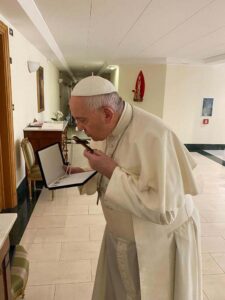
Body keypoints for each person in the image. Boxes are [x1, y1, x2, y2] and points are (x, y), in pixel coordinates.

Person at [69, 75, 202, 300]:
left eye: (82, 120)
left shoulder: (156, 135)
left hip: (160, 242)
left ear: (107, 114)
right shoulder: (102, 128)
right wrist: (85, 175)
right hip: (120, 237)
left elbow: (164, 210)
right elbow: (109, 173)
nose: (78, 127)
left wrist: (111, 170)